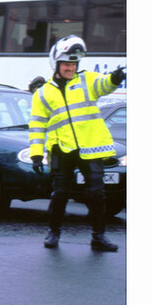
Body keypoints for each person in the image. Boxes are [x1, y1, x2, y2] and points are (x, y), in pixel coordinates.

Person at [28, 35, 126, 251]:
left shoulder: (87, 80)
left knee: (97, 195)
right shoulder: (43, 93)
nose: (70, 68)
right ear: (56, 64)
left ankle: (98, 238)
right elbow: (37, 125)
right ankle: (53, 234)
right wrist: (36, 154)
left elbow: (105, 84)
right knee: (60, 194)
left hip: (90, 147)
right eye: (66, 64)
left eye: (73, 64)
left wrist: (116, 78)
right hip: (61, 149)